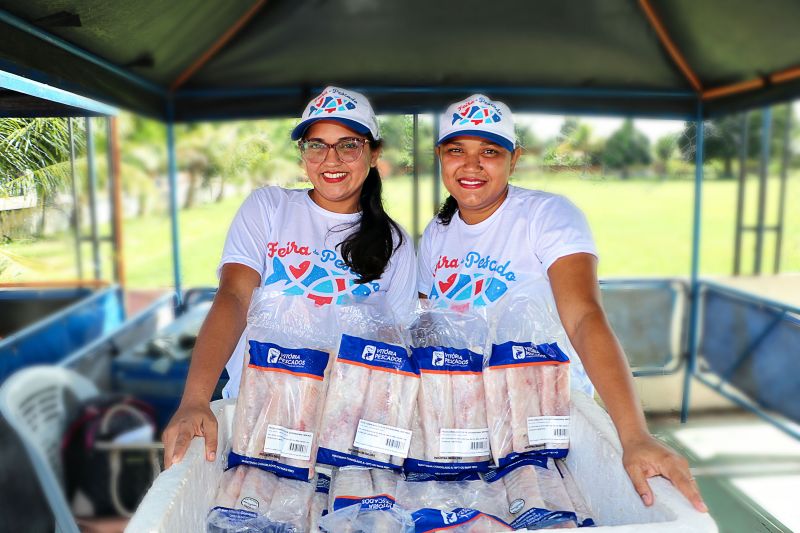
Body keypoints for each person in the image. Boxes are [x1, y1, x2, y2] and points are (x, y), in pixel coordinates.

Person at [417, 94, 707, 513]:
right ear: (440, 156)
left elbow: (584, 317)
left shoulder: (547, 215)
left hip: (546, 414)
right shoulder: (438, 232)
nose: (472, 165)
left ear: (513, 159)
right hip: (465, 417)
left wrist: (634, 435)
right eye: (456, 150)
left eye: (490, 152)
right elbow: (429, 326)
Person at [163, 86, 417, 467]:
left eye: (348, 144)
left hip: (347, 430)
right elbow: (234, 296)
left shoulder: (394, 241)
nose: (331, 159)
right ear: (303, 155)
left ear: (373, 152)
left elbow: (394, 343)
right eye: (316, 145)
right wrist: (196, 399)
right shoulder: (269, 208)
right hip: (256, 416)